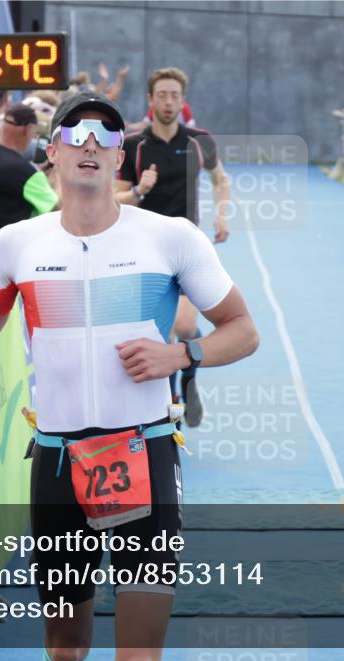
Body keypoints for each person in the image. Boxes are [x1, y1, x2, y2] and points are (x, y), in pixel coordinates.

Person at [0, 91, 258, 661]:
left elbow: (243, 329)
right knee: (66, 649)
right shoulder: (17, 245)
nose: (90, 144)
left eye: (105, 136)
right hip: (59, 463)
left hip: (144, 455)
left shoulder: (171, 237)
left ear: (121, 156)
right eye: (76, 134)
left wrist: (181, 356)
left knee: (139, 656)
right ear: (53, 152)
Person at [114, 68, 230, 427]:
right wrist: (139, 191)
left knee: (183, 326)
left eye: (174, 96)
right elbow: (112, 198)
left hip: (185, 247)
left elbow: (220, 179)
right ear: (150, 100)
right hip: (140, 251)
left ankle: (189, 377)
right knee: (153, 335)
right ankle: (167, 405)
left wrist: (222, 215)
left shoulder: (199, 141)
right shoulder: (133, 145)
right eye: (161, 95)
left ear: (183, 100)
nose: (168, 102)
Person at [0, 103, 58, 284]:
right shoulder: (25, 172)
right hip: (10, 265)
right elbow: (57, 210)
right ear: (28, 129)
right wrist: (59, 173)